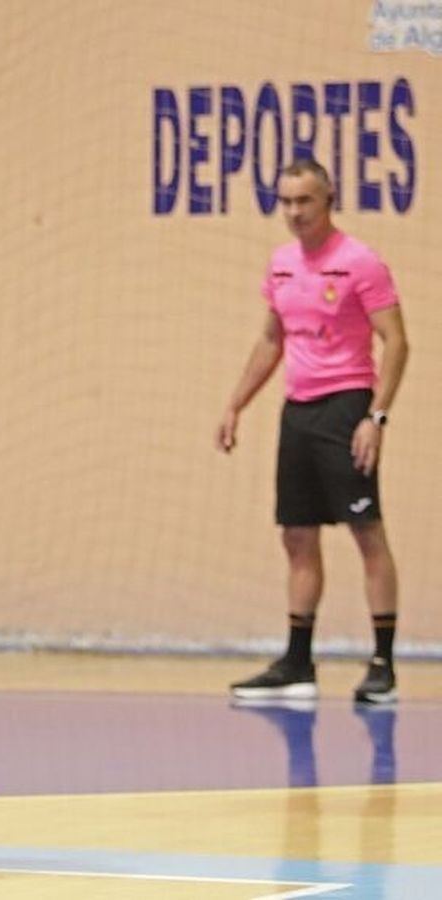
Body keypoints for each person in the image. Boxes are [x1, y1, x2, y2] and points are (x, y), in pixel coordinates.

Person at [218, 157, 408, 705]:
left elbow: (396, 342)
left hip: (347, 406)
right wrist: (235, 405)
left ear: (328, 200)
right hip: (297, 410)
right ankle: (298, 663)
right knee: (297, 535)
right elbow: (271, 341)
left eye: (305, 201)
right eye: (286, 202)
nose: (295, 212)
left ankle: (382, 664)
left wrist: (376, 416)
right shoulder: (280, 264)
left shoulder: (360, 262)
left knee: (366, 530)